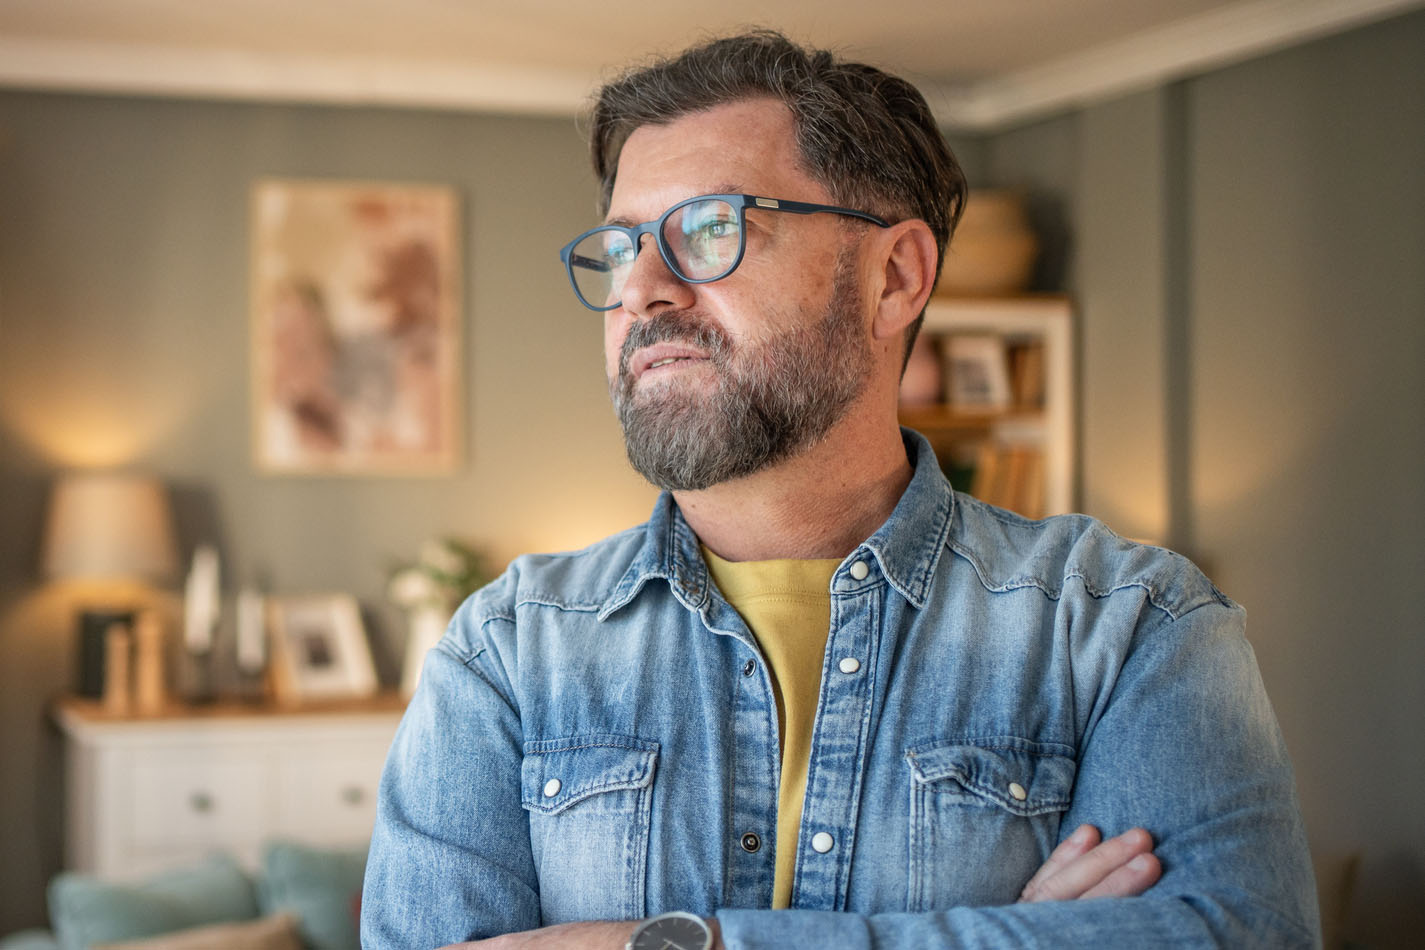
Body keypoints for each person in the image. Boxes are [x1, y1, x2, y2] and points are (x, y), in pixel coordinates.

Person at [361, 31, 1318, 949]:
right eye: (618, 250)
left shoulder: (1124, 628)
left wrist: (666, 944)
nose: (642, 289)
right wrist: (1028, 931)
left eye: (709, 229)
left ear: (894, 276)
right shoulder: (508, 652)